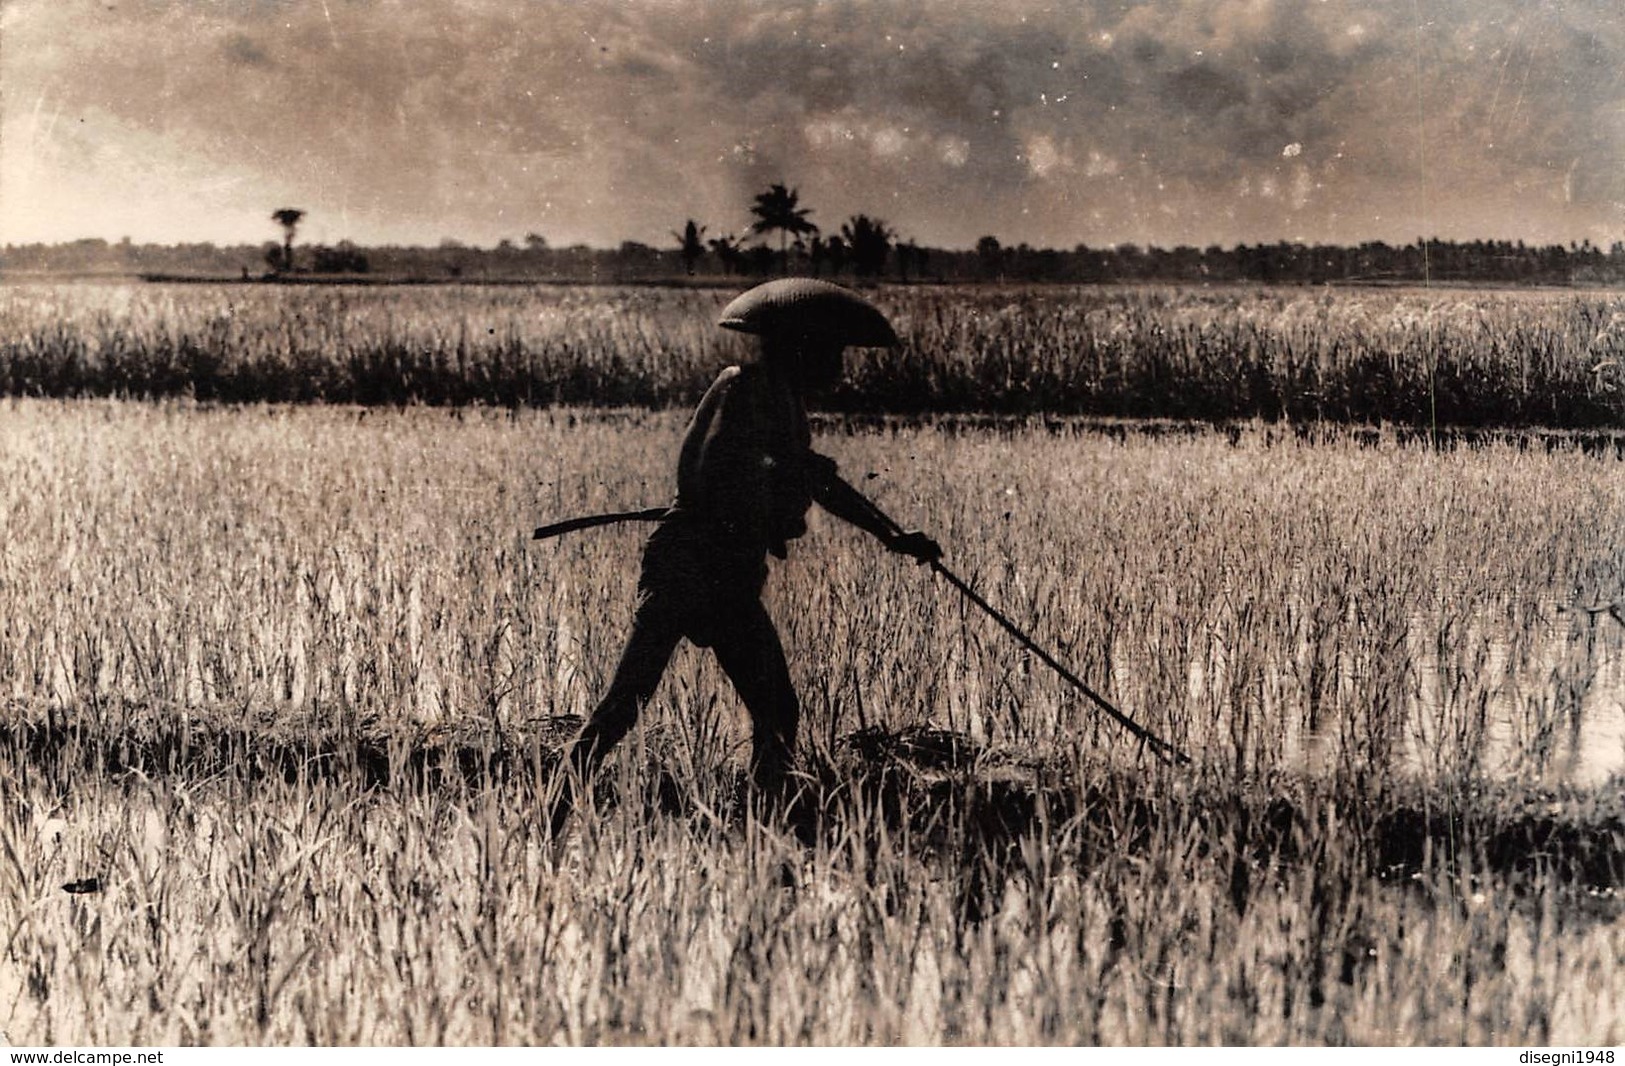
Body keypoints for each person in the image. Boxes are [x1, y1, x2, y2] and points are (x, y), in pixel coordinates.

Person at [547, 279, 941, 837]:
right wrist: (882, 531)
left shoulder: (773, 399)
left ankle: (765, 828)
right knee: (627, 706)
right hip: (693, 566)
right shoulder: (750, 392)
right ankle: (551, 814)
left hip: (725, 572)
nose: (839, 368)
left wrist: (886, 532)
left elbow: (797, 475)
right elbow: (763, 475)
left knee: (772, 711)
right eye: (831, 354)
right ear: (801, 349)